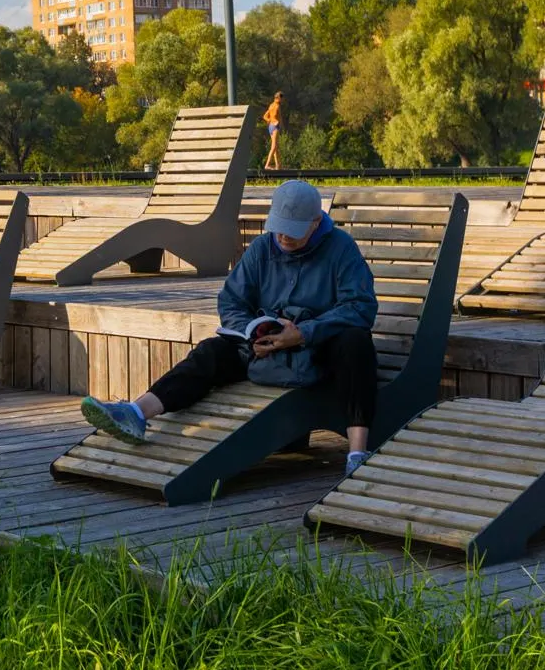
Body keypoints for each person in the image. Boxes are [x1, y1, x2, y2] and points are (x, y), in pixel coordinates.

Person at [77, 180, 380, 476]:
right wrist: (252, 334)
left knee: (355, 343)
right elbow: (232, 301)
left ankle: (356, 453)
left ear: (316, 223)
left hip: (316, 350)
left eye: (294, 231)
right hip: (263, 352)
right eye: (279, 227)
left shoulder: (341, 249)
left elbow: (361, 306)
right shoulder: (263, 248)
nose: (284, 237)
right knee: (211, 352)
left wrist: (304, 333)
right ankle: (136, 413)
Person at [263, 92, 284, 169]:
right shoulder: (277, 106)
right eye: (281, 98)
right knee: (274, 146)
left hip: (270, 127)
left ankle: (278, 165)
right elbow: (278, 117)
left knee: (275, 147)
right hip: (275, 127)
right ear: (278, 98)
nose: (282, 100)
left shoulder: (271, 105)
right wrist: (277, 122)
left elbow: (265, 116)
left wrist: (269, 120)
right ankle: (267, 165)